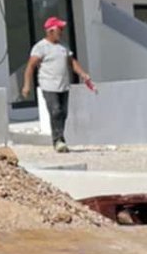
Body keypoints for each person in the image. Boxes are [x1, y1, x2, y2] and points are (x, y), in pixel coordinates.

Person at [22, 15, 95, 153]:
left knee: (63, 113)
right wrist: (27, 85)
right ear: (50, 31)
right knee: (55, 111)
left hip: (63, 86)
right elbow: (30, 66)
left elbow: (72, 62)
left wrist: (83, 74)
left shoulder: (63, 46)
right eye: (59, 29)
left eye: (62, 29)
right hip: (48, 85)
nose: (61, 32)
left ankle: (60, 138)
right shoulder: (40, 47)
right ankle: (58, 140)